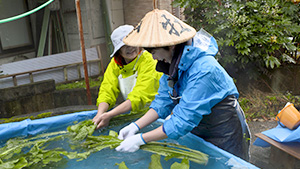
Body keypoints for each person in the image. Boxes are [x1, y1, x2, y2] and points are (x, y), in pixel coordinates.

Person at [115, 9, 251, 161]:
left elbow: (182, 121)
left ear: (171, 45)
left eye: (153, 51)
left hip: (224, 131)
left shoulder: (204, 70)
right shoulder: (172, 64)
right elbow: (163, 101)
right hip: (199, 126)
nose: (153, 57)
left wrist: (141, 139)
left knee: (227, 163)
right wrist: (135, 126)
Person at [92, 25, 162, 129]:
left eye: (132, 42)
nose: (130, 47)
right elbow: (107, 89)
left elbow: (140, 95)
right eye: (124, 45)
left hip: (156, 112)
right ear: (118, 50)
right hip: (134, 113)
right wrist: (100, 114)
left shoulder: (149, 60)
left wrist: (110, 115)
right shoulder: (116, 63)